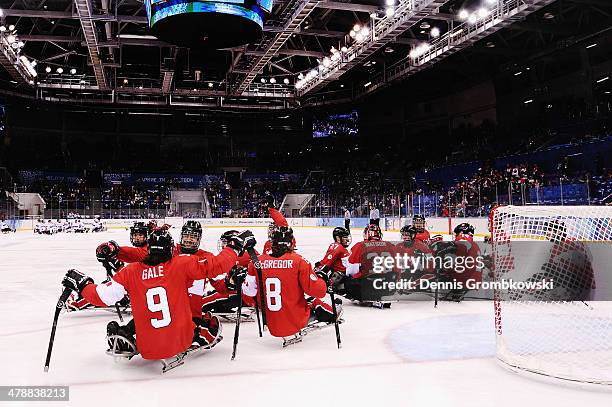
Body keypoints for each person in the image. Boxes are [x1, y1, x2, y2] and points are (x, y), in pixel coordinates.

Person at [61, 228, 256, 361]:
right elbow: (218, 267)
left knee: (145, 307)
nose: (189, 240)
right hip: (181, 333)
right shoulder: (182, 263)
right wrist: (234, 247)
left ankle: (128, 333)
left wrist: (84, 284)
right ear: (173, 246)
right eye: (186, 236)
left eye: (193, 237)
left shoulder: (132, 271)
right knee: (211, 325)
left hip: (147, 345)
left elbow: (102, 296)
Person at [242, 225, 339, 339]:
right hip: (295, 321)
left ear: (272, 242)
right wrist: (322, 280)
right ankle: (334, 313)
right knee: (314, 301)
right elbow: (318, 291)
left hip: (269, 322)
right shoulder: (299, 261)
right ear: (291, 242)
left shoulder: (256, 262)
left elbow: (248, 295)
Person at [315, 227, 351, 293]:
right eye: (345, 237)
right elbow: (326, 262)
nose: (348, 240)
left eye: (347, 237)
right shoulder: (337, 246)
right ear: (338, 238)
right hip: (344, 277)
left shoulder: (340, 247)